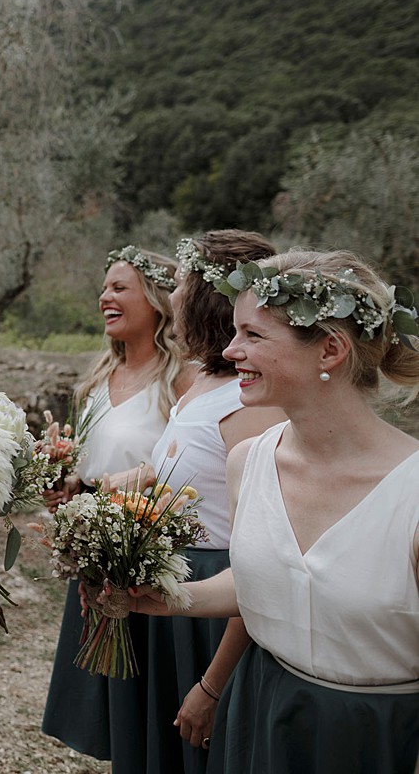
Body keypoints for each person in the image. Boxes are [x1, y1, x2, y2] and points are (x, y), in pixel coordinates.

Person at [127, 249, 419, 773]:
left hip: (375, 739)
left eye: (253, 336)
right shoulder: (248, 463)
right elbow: (258, 581)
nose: (231, 349)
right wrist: (171, 598)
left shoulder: (412, 493)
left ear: (329, 350)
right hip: (262, 712)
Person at [110, 231, 283, 774]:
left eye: (183, 284)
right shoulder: (204, 381)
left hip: (218, 611)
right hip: (177, 588)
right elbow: (190, 474)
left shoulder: (248, 404)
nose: (174, 297)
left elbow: (260, 553)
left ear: (208, 296)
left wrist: (212, 684)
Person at [40, 245, 192, 766]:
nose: (105, 297)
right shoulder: (97, 383)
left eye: (119, 287)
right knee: (110, 703)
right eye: (104, 288)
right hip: (99, 556)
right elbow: (91, 468)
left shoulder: (181, 382)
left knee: (152, 698)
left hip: (151, 560)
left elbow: (185, 467)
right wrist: (67, 487)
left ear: (156, 301)